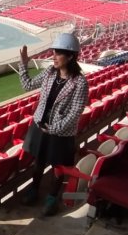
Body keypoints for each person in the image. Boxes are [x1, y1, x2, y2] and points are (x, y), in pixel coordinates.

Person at [17, 33, 89, 216]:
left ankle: (52, 197)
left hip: (61, 133)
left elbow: (75, 112)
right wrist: (23, 65)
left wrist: (54, 129)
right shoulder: (50, 72)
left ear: (70, 56)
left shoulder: (80, 82)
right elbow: (27, 85)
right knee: (39, 161)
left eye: (58, 53)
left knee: (58, 165)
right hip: (40, 126)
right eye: (54, 52)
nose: (54, 56)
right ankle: (34, 189)